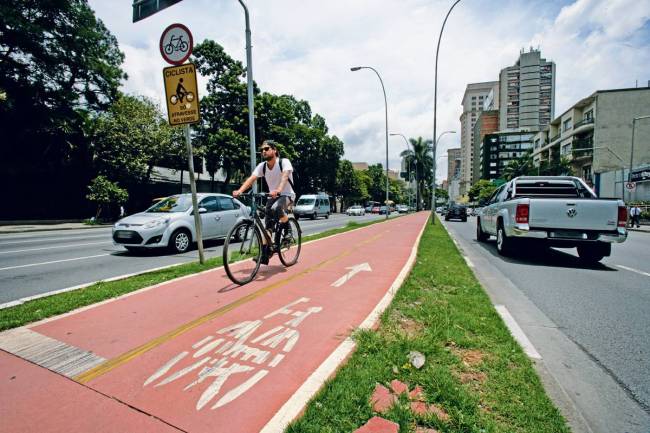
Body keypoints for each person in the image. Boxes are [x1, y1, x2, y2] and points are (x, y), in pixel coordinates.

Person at [233, 140, 295, 264]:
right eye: (262, 150)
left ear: (274, 150)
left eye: (266, 149)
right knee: (268, 225)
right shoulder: (262, 166)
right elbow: (252, 178)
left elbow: (285, 176)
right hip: (272, 196)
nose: (263, 151)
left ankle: (288, 231)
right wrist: (240, 190)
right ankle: (265, 253)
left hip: (287, 194)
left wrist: (278, 190)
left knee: (277, 208)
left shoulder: (284, 162)